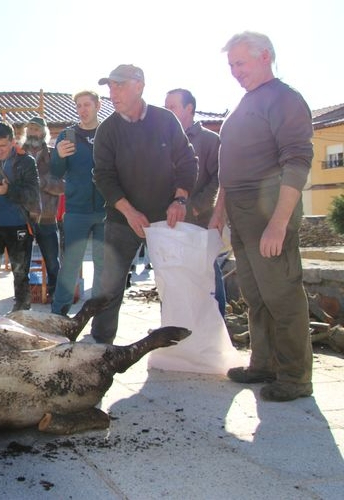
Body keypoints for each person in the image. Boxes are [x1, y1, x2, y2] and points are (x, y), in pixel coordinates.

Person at [209, 31, 314, 402]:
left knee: (282, 295)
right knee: (256, 296)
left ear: (265, 56)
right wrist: (219, 211)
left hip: (270, 207)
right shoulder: (245, 102)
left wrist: (279, 222)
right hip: (240, 212)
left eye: (241, 62)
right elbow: (228, 166)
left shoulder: (285, 99)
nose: (235, 71)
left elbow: (297, 162)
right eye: (231, 65)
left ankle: (295, 378)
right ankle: (264, 363)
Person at [92, 64, 198, 344]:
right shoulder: (107, 130)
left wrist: (180, 199)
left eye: (119, 85)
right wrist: (129, 212)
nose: (113, 93)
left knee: (173, 285)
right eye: (110, 86)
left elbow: (188, 162)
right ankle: (100, 348)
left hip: (166, 219)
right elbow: (103, 176)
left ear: (139, 86)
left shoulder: (165, 120)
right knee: (109, 286)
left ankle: (176, 345)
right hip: (122, 220)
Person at [165, 88, 226, 316]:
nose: (167, 112)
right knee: (172, 279)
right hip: (169, 223)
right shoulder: (163, 141)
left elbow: (219, 179)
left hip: (200, 222)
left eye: (172, 107)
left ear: (189, 109)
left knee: (208, 277)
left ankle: (217, 325)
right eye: (165, 107)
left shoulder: (210, 140)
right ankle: (176, 328)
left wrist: (196, 207)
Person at [50, 91, 107, 316]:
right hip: (76, 211)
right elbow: (56, 173)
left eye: (87, 105)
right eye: (79, 106)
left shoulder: (109, 132)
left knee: (103, 267)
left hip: (106, 210)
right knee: (70, 266)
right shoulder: (68, 135)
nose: (82, 110)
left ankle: (98, 317)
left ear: (98, 105)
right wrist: (58, 156)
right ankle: (58, 315)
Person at [0, 122, 41, 313]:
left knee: (20, 273)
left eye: (3, 145)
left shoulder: (26, 162)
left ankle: (22, 314)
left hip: (19, 225)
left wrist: (8, 190)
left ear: (12, 142)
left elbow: (33, 195)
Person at [21, 117, 64, 303]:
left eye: (36, 129)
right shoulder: (18, 154)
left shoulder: (55, 155)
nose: (33, 132)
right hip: (22, 218)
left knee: (53, 263)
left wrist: (42, 182)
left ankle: (56, 297)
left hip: (47, 217)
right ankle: (22, 298)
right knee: (21, 263)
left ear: (44, 132)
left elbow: (63, 186)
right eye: (30, 129)